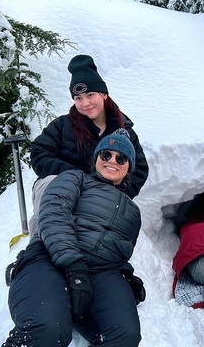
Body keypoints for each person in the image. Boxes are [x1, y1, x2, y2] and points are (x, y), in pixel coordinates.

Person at [0, 132, 144, 347]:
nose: (112, 160)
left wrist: (127, 277)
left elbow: (116, 253)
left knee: (124, 332)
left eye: (121, 159)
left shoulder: (133, 212)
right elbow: (53, 217)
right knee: (49, 328)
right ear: (95, 158)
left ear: (128, 169)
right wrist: (73, 266)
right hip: (48, 261)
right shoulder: (72, 179)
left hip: (100, 275)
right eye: (106, 154)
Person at [29, 53, 149, 234]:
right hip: (60, 188)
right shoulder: (63, 125)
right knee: (50, 184)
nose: (85, 103)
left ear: (104, 94)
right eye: (78, 98)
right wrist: (77, 177)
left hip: (101, 196)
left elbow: (139, 168)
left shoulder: (125, 132)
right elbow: (39, 153)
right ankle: (41, 241)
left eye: (90, 95)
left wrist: (114, 191)